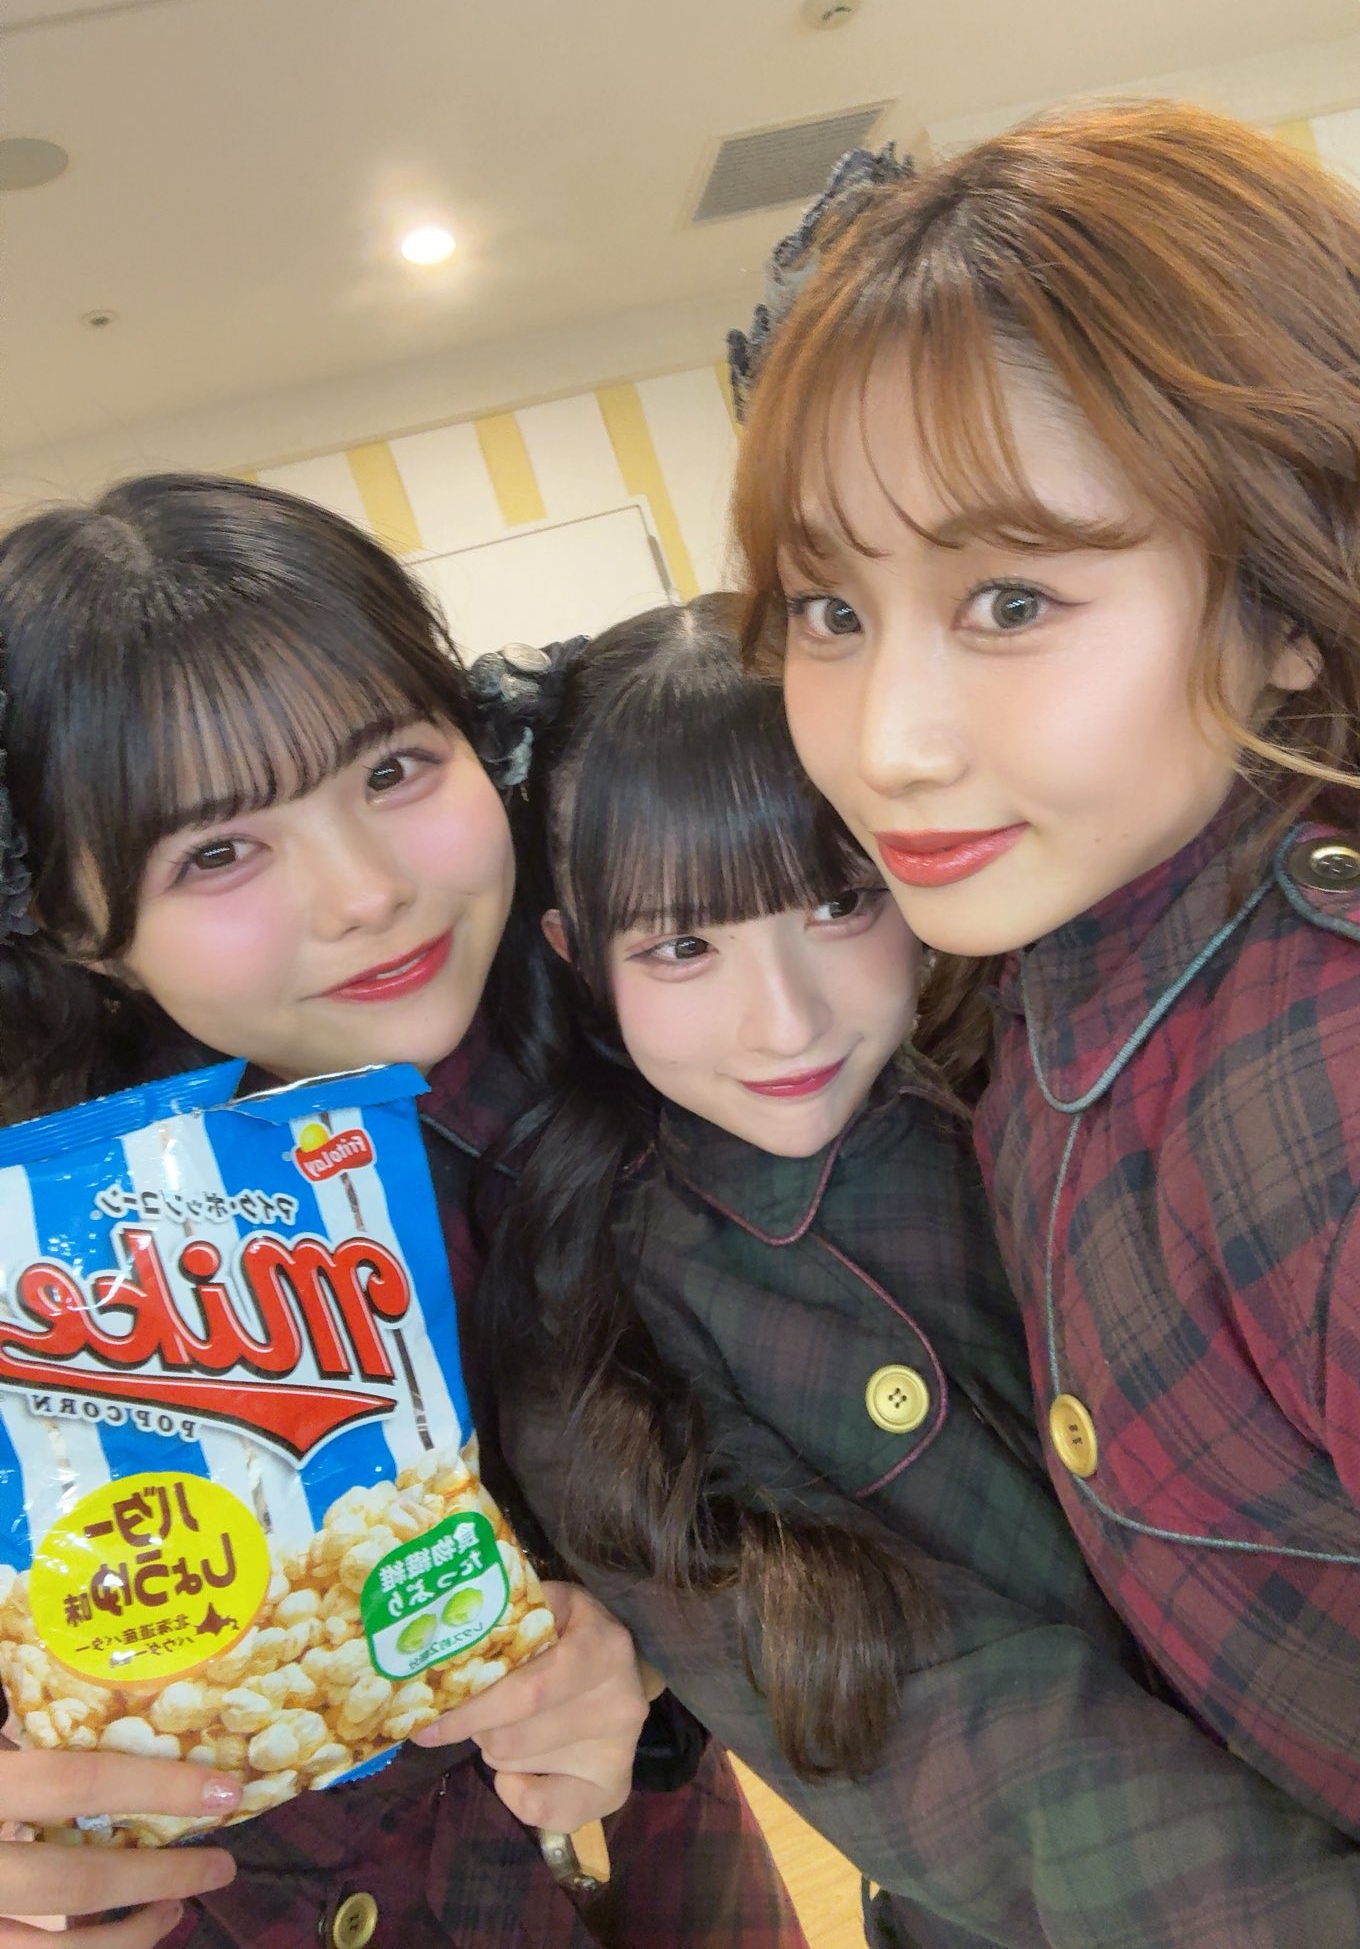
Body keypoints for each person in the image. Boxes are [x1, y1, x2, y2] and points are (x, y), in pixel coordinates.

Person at [727, 101, 1360, 1935]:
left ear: (1295, 597)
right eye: (830, 611)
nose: (884, 741)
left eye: (1011, 601)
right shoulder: (1043, 989)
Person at [456, 590, 1360, 1947]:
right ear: (578, 959)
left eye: (838, 902)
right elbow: (1001, 1781)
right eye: (682, 947)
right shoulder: (599, 1332)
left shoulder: (1069, 1085)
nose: (782, 1019)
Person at [0, 474, 804, 1949]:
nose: (367, 892)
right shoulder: (36, 1251)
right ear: (80, 930)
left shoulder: (671, 1040)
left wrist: (658, 1674)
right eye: (217, 851)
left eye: (392, 769)